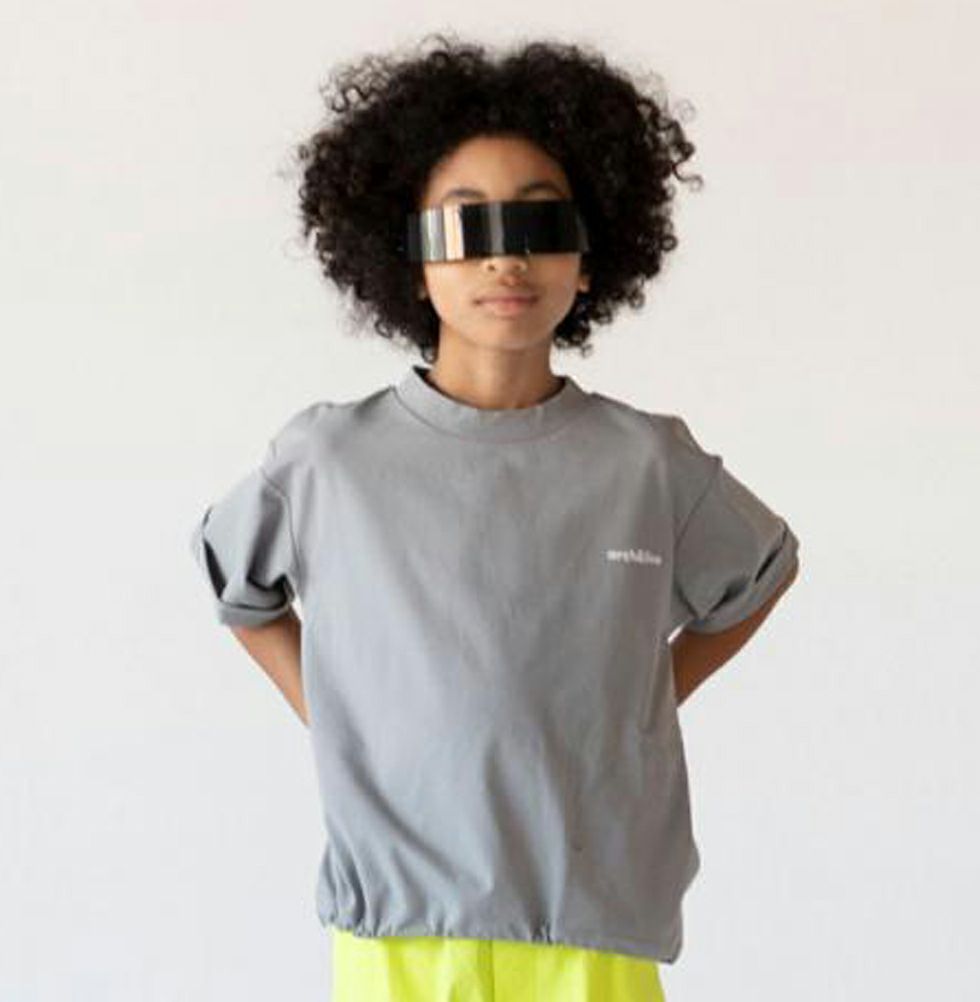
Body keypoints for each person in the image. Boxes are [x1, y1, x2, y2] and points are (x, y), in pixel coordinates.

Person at [189, 33, 801, 1002]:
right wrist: (339, 712)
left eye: (540, 223)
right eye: (465, 226)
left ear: (589, 258)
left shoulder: (644, 463)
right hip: (399, 927)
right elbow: (240, 586)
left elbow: (759, 575)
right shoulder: (330, 460)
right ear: (410, 259)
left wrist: (634, 703)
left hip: (590, 923)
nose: (505, 259)